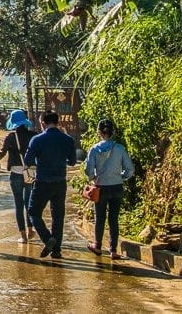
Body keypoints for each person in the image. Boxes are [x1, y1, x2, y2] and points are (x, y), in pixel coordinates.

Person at [25, 110, 77, 259]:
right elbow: (72, 161)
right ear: (58, 122)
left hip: (42, 181)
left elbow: (28, 160)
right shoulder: (67, 139)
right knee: (58, 216)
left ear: (42, 123)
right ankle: (57, 250)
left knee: (33, 212)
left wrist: (40, 161)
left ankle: (48, 239)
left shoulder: (37, 140)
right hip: (60, 182)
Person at [85, 118, 135, 259]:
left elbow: (88, 170)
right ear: (112, 132)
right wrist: (121, 177)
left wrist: (94, 178)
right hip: (117, 187)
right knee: (114, 219)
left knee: (100, 218)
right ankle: (113, 250)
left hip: (101, 187)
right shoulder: (119, 148)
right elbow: (130, 169)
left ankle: (97, 246)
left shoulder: (94, 149)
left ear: (99, 132)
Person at [0, 109, 36, 243]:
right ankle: (30, 230)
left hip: (15, 173)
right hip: (30, 172)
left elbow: (2, 152)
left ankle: (23, 236)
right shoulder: (33, 135)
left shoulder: (10, 137)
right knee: (29, 203)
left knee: (18, 204)